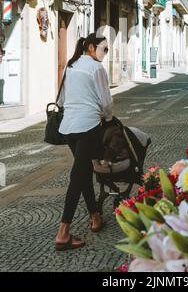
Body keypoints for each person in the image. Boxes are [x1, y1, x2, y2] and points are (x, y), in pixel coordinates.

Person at [55, 33, 113, 251]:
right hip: (88, 126)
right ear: (91, 47)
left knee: (83, 170)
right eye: (103, 49)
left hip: (69, 127)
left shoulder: (70, 66)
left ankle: (95, 216)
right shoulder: (96, 69)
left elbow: (61, 100)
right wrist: (108, 118)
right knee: (78, 176)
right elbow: (106, 102)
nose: (104, 54)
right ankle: (63, 232)